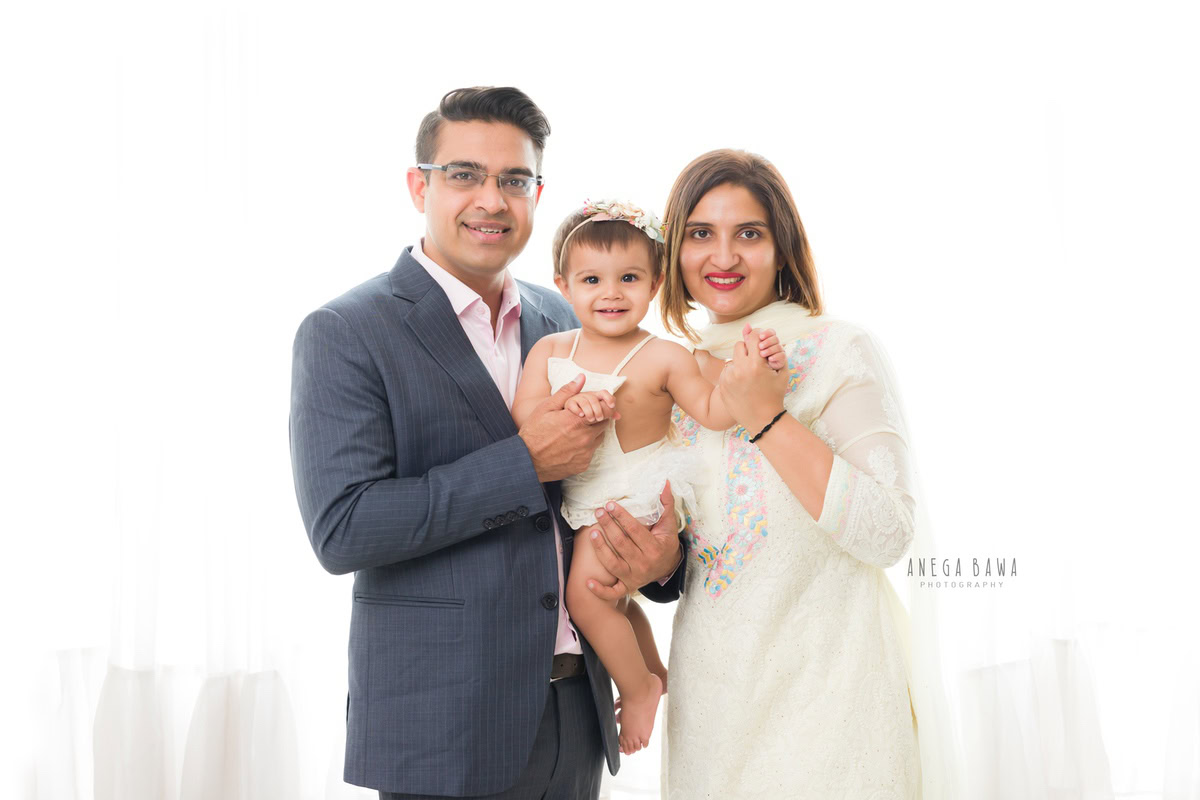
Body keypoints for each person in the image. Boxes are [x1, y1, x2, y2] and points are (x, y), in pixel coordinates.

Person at [288, 87, 682, 800]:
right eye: (464, 174)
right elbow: (342, 528)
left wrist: (661, 562)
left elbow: (618, 470)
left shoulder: (569, 313)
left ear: (538, 194)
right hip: (443, 724)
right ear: (419, 186)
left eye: (513, 180)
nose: (491, 200)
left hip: (577, 711)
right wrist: (524, 464)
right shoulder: (346, 332)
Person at [586, 149, 958, 797]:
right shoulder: (672, 373)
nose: (723, 257)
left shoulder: (839, 350)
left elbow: (889, 531)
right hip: (715, 704)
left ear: (782, 249)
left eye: (748, 234)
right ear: (673, 253)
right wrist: (656, 566)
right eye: (700, 234)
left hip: (834, 697)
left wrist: (767, 418)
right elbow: (692, 552)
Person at [510, 199, 785, 756]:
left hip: (638, 491)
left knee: (586, 597)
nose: (611, 293)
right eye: (592, 279)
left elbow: (711, 410)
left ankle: (636, 690)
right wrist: (571, 406)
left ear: (657, 281)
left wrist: (756, 376)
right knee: (613, 598)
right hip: (584, 495)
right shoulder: (548, 349)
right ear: (563, 284)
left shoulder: (663, 355)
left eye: (629, 278)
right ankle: (653, 670)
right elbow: (524, 422)